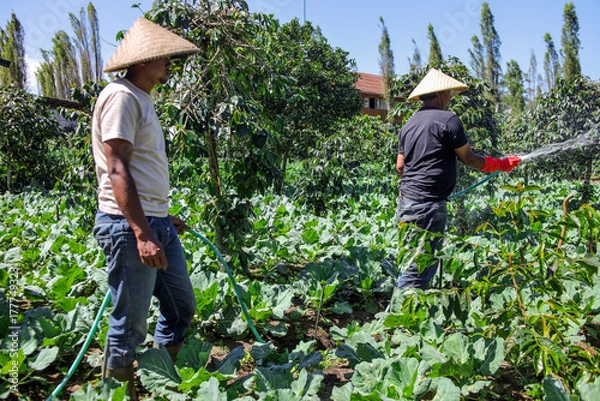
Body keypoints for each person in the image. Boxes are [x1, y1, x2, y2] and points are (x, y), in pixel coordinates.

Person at [91, 18, 200, 398]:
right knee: (130, 324)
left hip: (154, 222)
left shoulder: (141, 98)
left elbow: (138, 169)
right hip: (128, 227)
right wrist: (141, 230)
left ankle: (159, 375)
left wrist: (159, 215)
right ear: (142, 60)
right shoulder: (121, 96)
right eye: (164, 57)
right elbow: (117, 166)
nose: (170, 63)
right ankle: (118, 393)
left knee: (181, 306)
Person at [395, 68, 521, 289]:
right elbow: (468, 159)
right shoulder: (448, 119)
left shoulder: (409, 124)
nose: (451, 99)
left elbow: (400, 166)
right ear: (442, 94)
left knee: (411, 257)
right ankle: (402, 314)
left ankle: (405, 307)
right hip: (428, 205)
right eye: (450, 94)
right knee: (421, 265)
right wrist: (500, 164)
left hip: (406, 201)